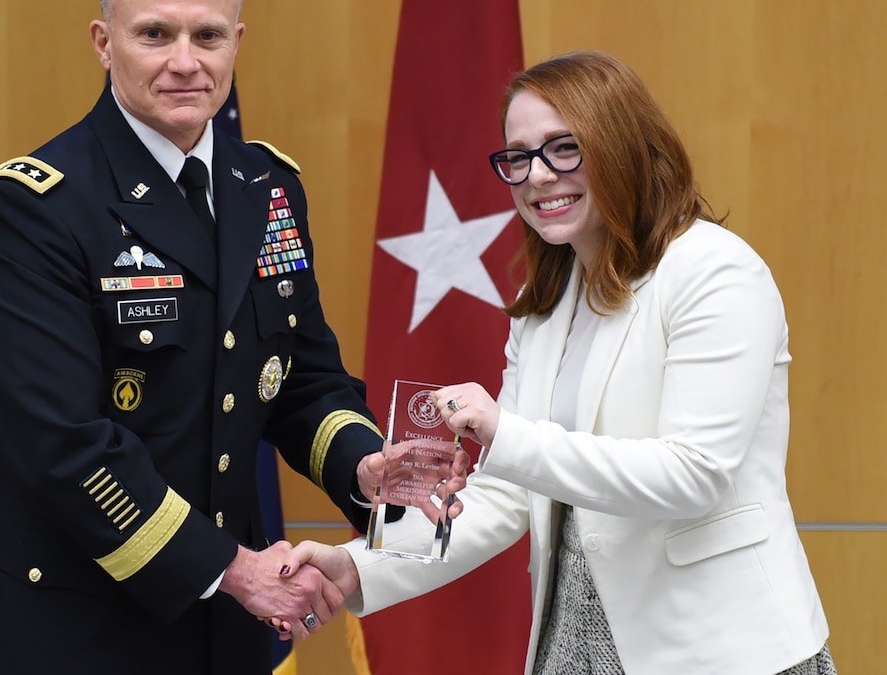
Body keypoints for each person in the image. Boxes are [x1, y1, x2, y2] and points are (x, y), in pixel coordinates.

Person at [0, 0, 465, 675]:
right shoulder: (35, 207)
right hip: (79, 631)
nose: (185, 62)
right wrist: (232, 567)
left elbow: (301, 377)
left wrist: (364, 465)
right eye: (155, 34)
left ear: (237, 40)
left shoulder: (266, 187)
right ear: (104, 42)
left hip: (229, 631)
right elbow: (63, 443)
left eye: (208, 34)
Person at [282, 51, 835, 674]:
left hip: (724, 652)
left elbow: (695, 475)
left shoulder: (715, 271)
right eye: (517, 157)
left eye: (562, 148)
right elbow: (505, 496)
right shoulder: (540, 305)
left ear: (621, 145)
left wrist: (502, 434)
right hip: (571, 648)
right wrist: (357, 565)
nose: (537, 176)